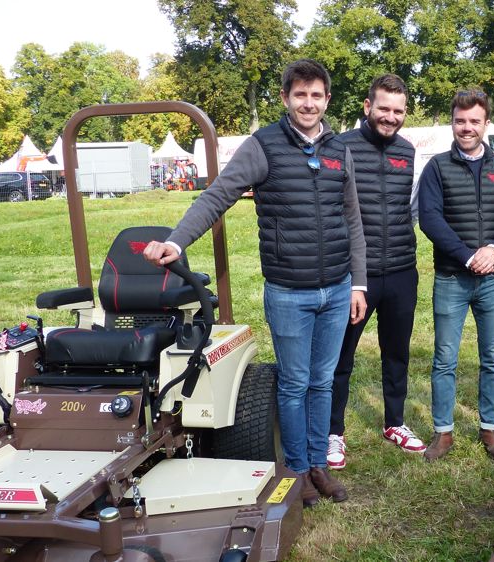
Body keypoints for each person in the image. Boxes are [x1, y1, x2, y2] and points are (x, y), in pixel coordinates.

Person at [142, 59, 367, 508]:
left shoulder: (339, 149)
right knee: (294, 382)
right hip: (288, 290)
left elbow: (352, 217)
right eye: (300, 94)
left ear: (327, 100)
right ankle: (298, 470)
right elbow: (217, 196)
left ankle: (318, 462)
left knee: (322, 381)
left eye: (316, 95)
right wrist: (177, 240)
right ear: (285, 98)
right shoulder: (262, 146)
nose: (309, 103)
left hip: (337, 288)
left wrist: (357, 282)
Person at [418, 89, 494, 462]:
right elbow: (430, 219)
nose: (466, 128)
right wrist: (467, 256)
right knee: (445, 358)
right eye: (460, 121)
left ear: (485, 123)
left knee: (492, 358)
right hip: (451, 278)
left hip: (493, 281)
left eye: (474, 121)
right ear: (452, 121)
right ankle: (443, 432)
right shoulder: (437, 168)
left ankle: (489, 429)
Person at [327, 74, 425, 469]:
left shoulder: (407, 150)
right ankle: (333, 432)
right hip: (355, 275)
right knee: (341, 356)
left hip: (401, 269)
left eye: (398, 111)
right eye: (383, 108)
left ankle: (395, 423)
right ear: (367, 107)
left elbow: (408, 207)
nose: (390, 117)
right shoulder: (342, 146)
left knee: (396, 352)